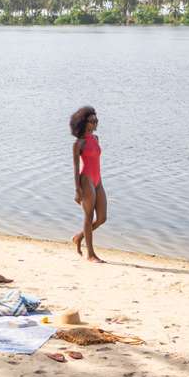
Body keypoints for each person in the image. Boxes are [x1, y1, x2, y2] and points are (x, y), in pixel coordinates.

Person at [70, 104, 106, 262]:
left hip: (98, 179)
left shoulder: (96, 138)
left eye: (96, 120)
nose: (95, 123)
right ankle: (90, 254)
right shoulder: (79, 143)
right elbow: (76, 167)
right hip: (86, 180)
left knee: (102, 218)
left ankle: (79, 237)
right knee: (88, 215)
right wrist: (77, 190)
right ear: (83, 122)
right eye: (92, 120)